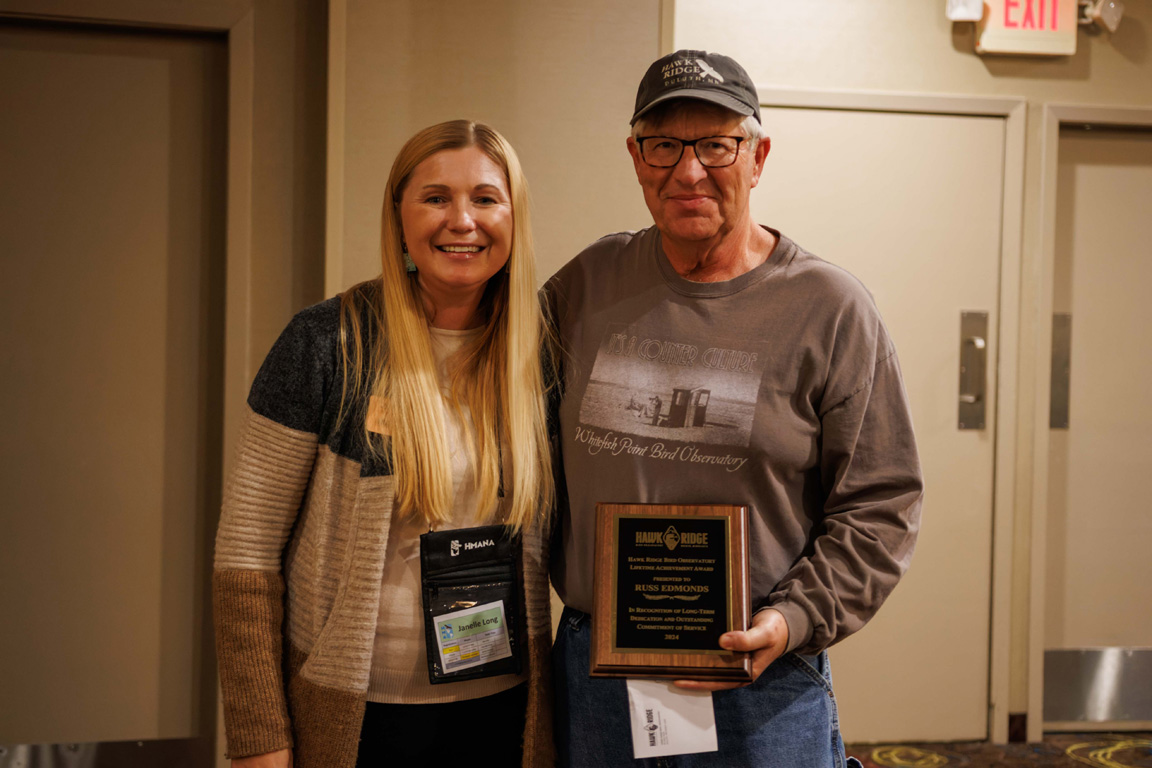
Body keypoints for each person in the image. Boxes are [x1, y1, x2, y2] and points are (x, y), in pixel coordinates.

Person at [546, 50, 924, 767]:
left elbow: (881, 503)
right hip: (601, 678)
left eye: (717, 145)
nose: (689, 171)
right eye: (664, 145)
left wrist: (794, 619)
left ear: (758, 157)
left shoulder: (830, 309)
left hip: (764, 678)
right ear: (636, 158)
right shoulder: (586, 286)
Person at [213, 120, 555, 768]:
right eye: (436, 198)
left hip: (504, 712)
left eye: (485, 198)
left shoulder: (541, 353)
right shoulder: (325, 343)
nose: (462, 220)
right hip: (358, 718)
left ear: (515, 218)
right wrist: (260, 738)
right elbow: (245, 555)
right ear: (399, 217)